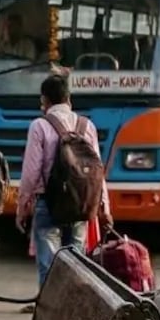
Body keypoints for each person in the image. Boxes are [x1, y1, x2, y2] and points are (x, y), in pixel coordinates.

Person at [16, 72, 111, 290]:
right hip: (80, 204)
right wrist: (104, 207)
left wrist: (23, 206)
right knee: (78, 264)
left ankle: (51, 313)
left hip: (48, 204)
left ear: (44, 101)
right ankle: (75, 311)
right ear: (69, 99)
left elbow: (31, 172)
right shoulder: (87, 126)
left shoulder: (39, 126)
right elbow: (97, 173)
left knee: (49, 266)